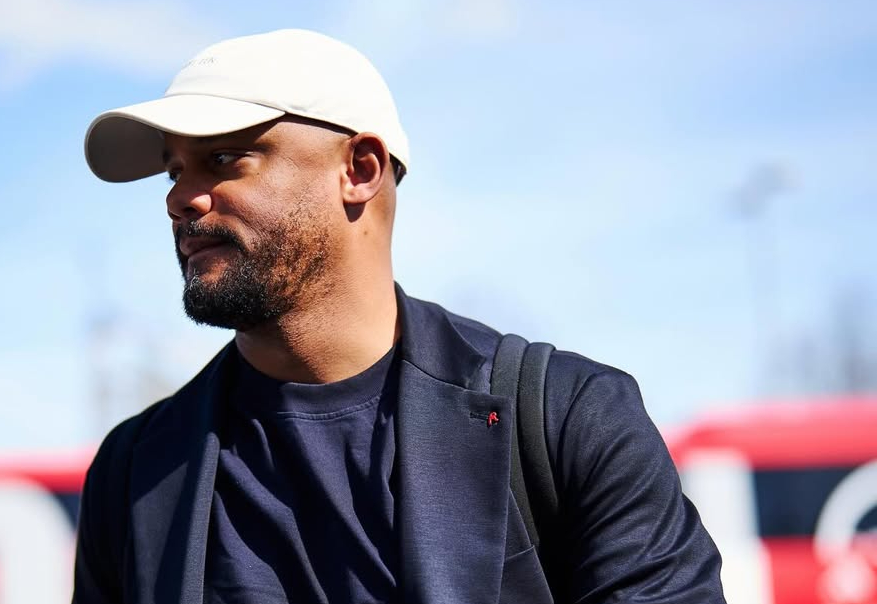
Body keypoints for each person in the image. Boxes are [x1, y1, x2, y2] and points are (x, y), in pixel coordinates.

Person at [74, 28, 725, 604]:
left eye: (223, 159)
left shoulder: (568, 419)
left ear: (360, 170)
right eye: (174, 172)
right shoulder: (135, 470)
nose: (180, 200)